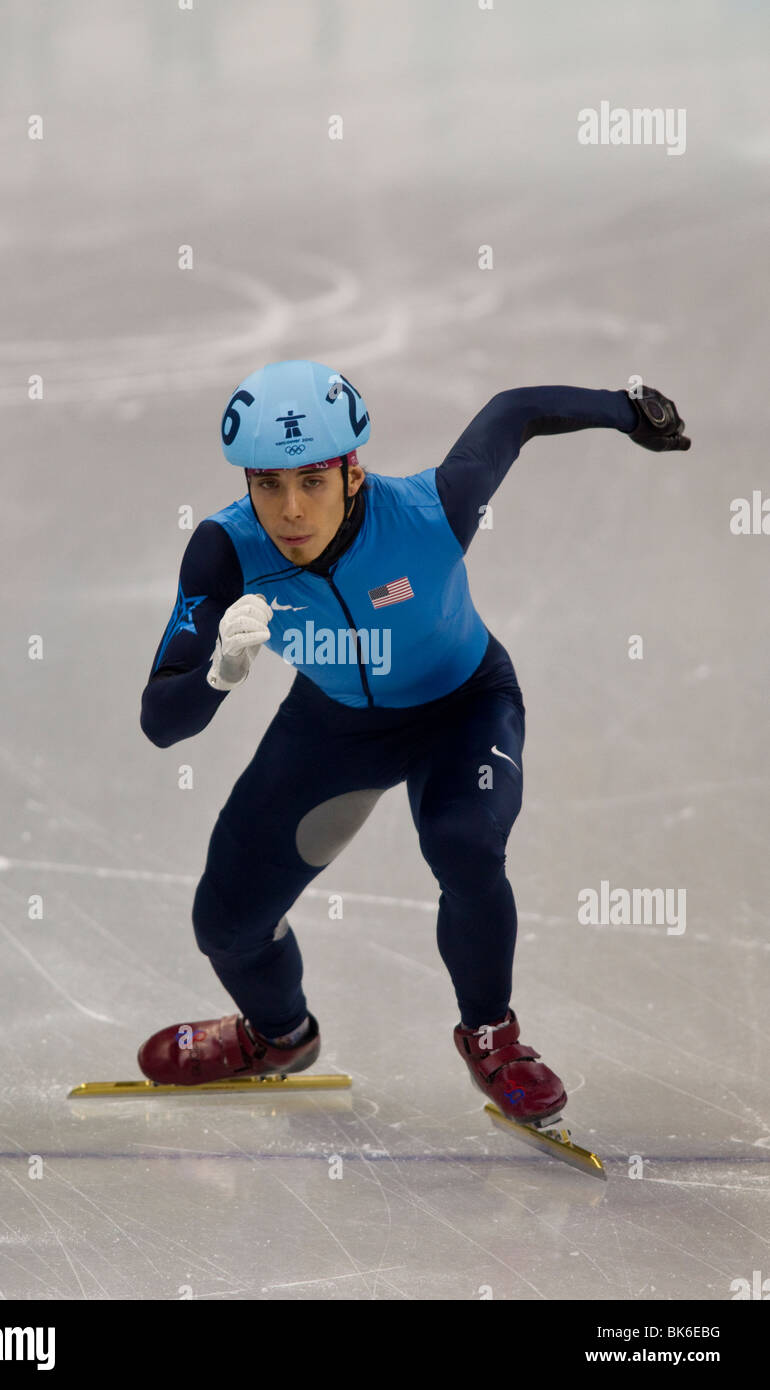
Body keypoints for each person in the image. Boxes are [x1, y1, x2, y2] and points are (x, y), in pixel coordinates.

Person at [137, 359, 689, 1123]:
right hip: (335, 724)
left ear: (352, 472)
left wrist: (628, 410)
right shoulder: (224, 552)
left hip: (461, 706)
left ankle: (492, 1036)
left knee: (465, 843)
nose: (291, 512)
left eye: (312, 482)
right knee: (225, 923)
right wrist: (220, 675)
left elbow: (513, 411)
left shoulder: (433, 510)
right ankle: (279, 1036)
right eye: (268, 485)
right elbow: (162, 720)